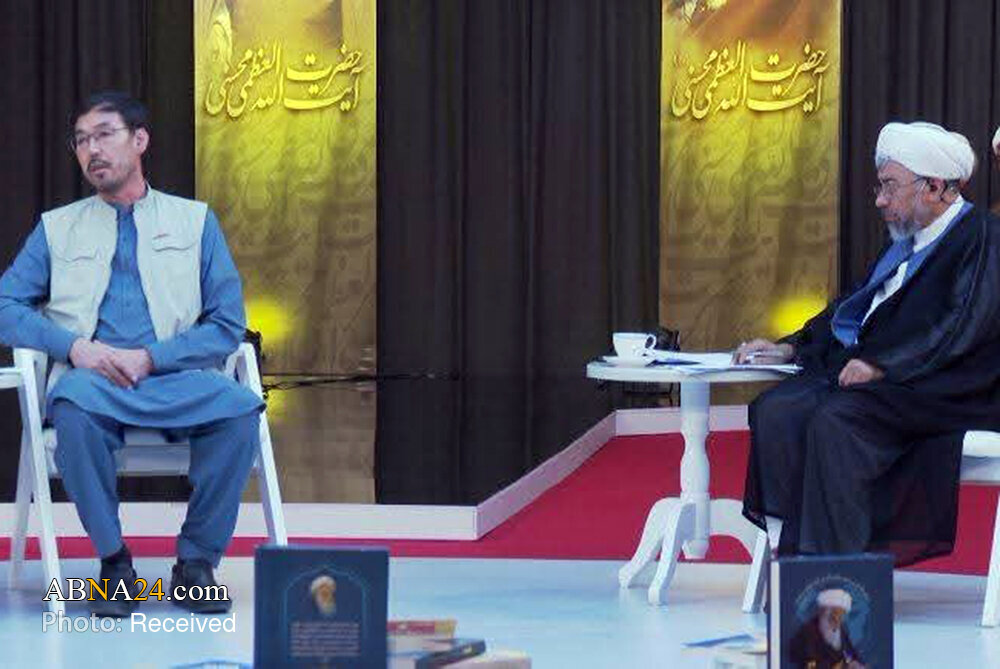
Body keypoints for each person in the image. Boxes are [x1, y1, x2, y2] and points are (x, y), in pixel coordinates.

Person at [0, 91, 264, 617]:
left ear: (139, 140)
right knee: (71, 407)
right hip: (93, 381)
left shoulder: (194, 221)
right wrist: (75, 347)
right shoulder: (57, 227)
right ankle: (115, 562)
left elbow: (227, 323)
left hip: (175, 375)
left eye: (104, 135)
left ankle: (196, 563)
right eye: (81, 141)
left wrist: (151, 358)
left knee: (239, 409)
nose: (92, 150)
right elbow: (6, 305)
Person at [734, 121, 1000, 565]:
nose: (879, 200)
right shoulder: (903, 243)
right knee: (777, 410)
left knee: (837, 420)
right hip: (892, 381)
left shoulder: (983, 237)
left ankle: (842, 576)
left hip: (946, 387)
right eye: (880, 187)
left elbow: (962, 326)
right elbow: (854, 307)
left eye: (890, 186)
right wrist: (791, 346)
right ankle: (795, 557)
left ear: (935, 187)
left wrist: (884, 365)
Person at [788, 589, 866, 669]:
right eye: (834, 613)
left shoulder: (840, 632)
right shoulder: (807, 633)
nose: (836, 618)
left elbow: (847, 652)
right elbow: (810, 663)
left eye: (840, 614)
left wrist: (852, 662)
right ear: (822, 612)